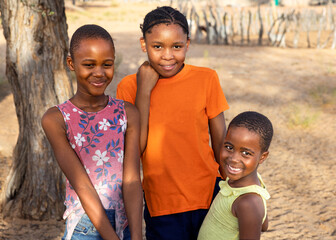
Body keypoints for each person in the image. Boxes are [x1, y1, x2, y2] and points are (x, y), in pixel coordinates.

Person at [116, 6, 229, 240]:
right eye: (157, 46)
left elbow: (221, 142)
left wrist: (235, 188)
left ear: (187, 44)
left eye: (176, 47)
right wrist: (144, 91)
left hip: (210, 196)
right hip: (162, 205)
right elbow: (137, 148)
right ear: (143, 45)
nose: (167, 55)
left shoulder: (206, 79)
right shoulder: (129, 87)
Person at [41, 24, 143, 240]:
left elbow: (132, 179)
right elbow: (82, 185)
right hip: (85, 224)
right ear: (71, 63)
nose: (99, 73)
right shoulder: (57, 119)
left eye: (107, 64)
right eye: (89, 65)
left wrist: (135, 234)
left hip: (123, 221)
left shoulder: (127, 113)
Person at [197, 111, 273, 240]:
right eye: (229, 147)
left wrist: (252, 215)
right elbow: (263, 225)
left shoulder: (247, 202)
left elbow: (258, 219)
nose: (233, 158)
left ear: (263, 157)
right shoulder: (240, 183)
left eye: (246, 153)